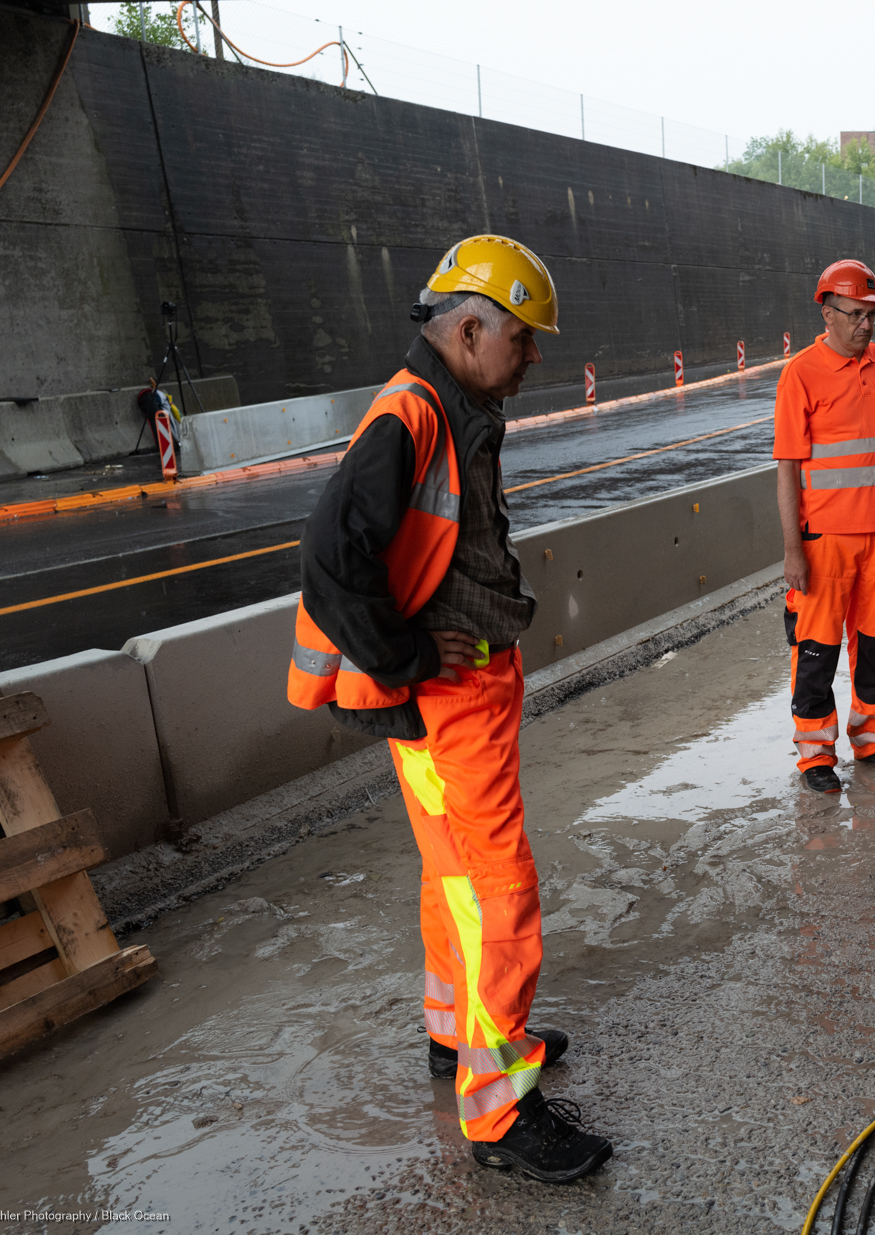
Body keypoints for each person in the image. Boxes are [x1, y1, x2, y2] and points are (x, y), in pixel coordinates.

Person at [287, 235, 611, 1184]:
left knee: (451, 878)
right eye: (524, 339)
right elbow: (328, 555)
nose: (535, 357)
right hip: (446, 699)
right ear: (471, 330)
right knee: (498, 891)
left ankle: (454, 1036)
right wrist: (410, 655)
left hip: (453, 697)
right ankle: (501, 1109)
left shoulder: (447, 404)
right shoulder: (415, 414)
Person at [774, 259, 875, 794]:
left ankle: (873, 741)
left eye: (872, 315)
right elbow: (787, 468)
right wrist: (793, 550)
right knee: (815, 650)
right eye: (856, 314)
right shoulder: (800, 374)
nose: (867, 325)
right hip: (824, 542)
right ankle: (815, 757)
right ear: (828, 313)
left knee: (872, 646)